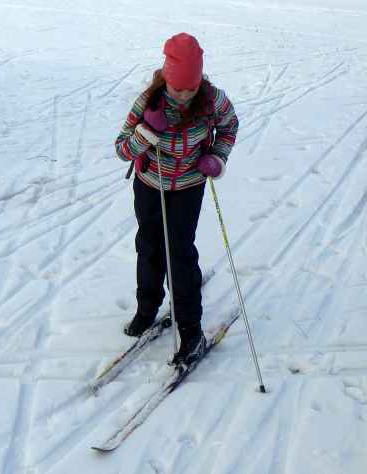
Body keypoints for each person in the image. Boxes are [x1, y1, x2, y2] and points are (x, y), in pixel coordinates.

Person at [114, 32, 239, 365]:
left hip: (188, 187)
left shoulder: (213, 101)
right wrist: (145, 133)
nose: (184, 96)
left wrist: (217, 157)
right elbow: (122, 149)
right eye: (177, 88)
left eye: (191, 88)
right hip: (149, 185)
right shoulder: (147, 103)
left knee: (180, 254)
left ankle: (191, 331)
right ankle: (147, 307)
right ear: (166, 79)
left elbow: (229, 128)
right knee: (150, 246)